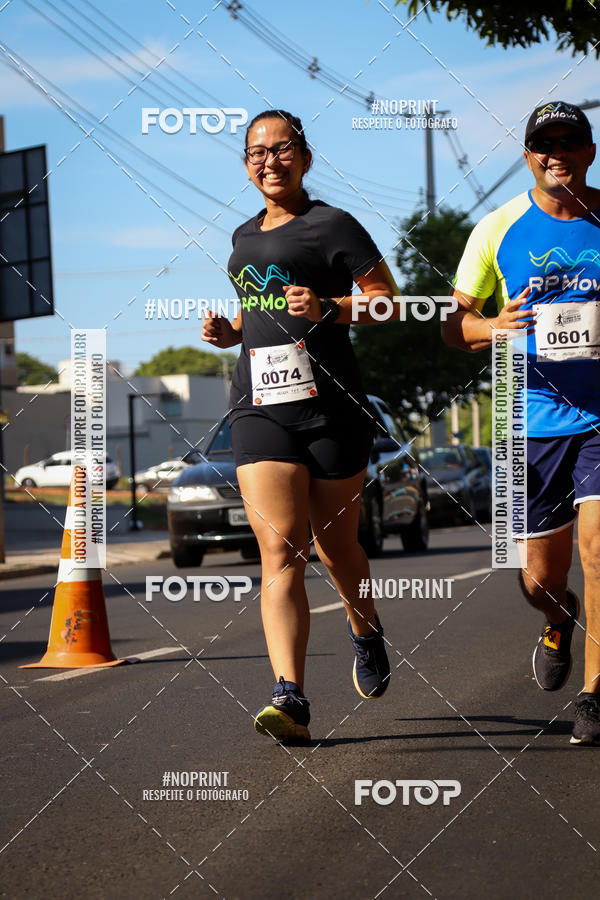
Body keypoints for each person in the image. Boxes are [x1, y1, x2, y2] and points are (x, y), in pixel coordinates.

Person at [202, 109, 399, 743]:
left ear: (305, 158)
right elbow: (255, 309)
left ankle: (363, 625)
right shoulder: (240, 236)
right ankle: (291, 696)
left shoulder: (331, 225)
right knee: (280, 547)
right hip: (259, 406)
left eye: (282, 149)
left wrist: (331, 306)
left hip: (332, 408)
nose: (269, 161)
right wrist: (231, 332)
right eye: (256, 152)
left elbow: (388, 301)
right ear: (245, 165)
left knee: (337, 550)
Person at [442, 100, 600, 745]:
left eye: (570, 140)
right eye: (544, 143)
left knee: (599, 548)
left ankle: (594, 696)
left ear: (589, 151)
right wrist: (492, 326)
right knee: (539, 578)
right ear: (528, 154)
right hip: (525, 421)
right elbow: (453, 327)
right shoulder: (496, 228)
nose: (556, 152)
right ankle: (558, 619)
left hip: (598, 416)